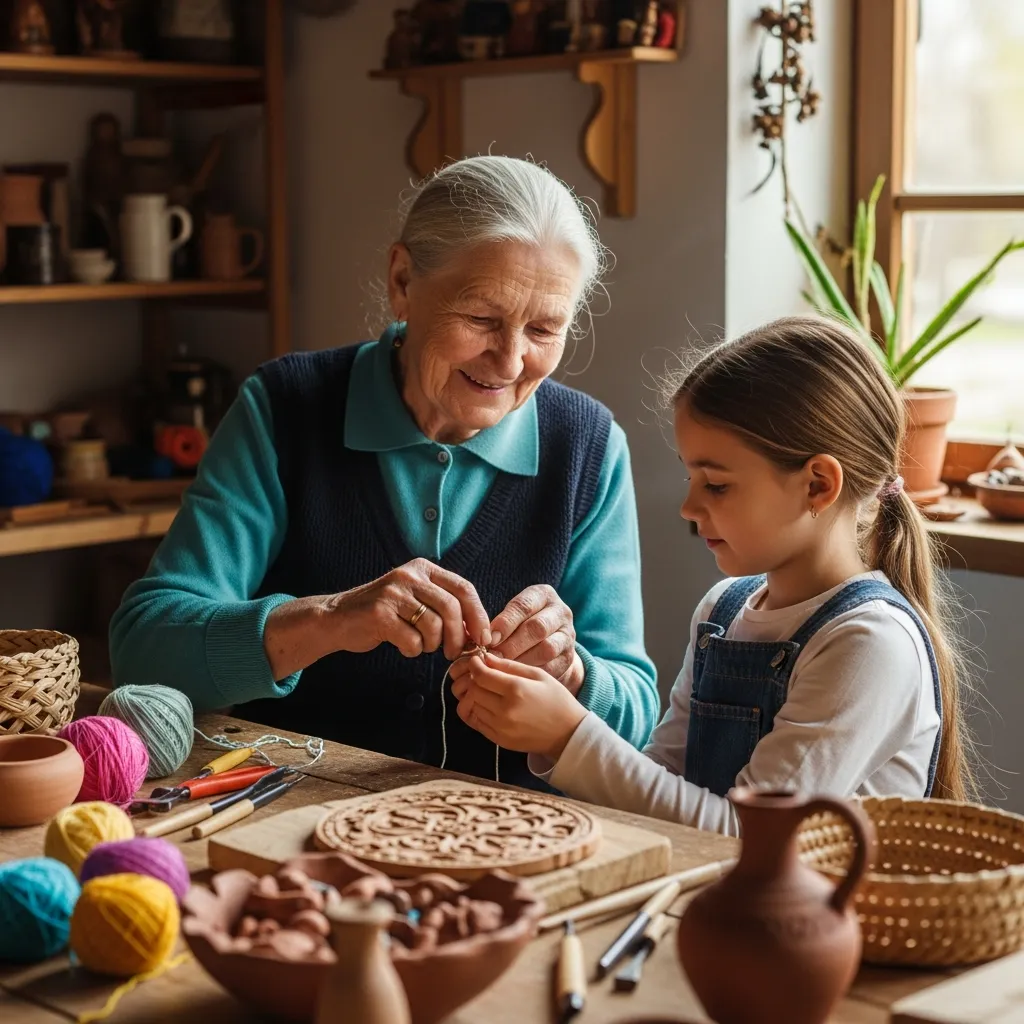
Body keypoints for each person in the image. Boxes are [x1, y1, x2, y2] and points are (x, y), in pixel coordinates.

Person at [109, 156, 659, 789]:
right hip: (289, 811)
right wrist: (331, 618)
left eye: (543, 329)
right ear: (402, 281)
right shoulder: (285, 409)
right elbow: (142, 650)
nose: (510, 361)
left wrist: (574, 676)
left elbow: (637, 715)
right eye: (481, 318)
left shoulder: (587, 447)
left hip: (513, 827)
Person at [453, 316, 975, 833]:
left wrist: (567, 735)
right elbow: (659, 785)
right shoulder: (722, 611)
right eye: (690, 477)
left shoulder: (869, 644)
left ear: (818, 484)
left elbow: (750, 837)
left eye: (717, 485)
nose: (688, 507)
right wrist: (559, 715)